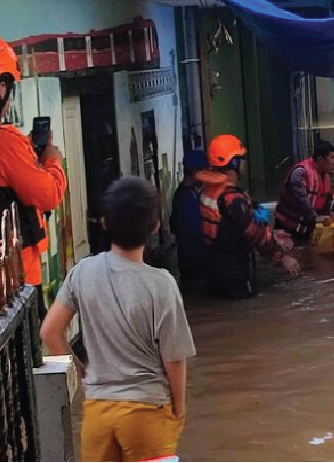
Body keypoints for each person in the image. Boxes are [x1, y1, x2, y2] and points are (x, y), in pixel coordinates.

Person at [40, 177, 196, 462]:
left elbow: (50, 332)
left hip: (98, 413)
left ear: (104, 224)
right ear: (154, 228)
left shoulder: (82, 272)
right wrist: (179, 407)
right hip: (147, 412)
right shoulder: (162, 284)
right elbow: (174, 358)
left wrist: (82, 373)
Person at [0, 37, 67, 320]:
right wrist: (52, 160)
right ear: (2, 88)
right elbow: (48, 194)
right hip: (14, 283)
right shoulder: (5, 143)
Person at [196, 134, 300, 299]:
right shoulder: (233, 199)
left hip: (214, 270)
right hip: (235, 273)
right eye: (242, 158)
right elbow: (257, 236)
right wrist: (282, 256)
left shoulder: (208, 191)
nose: (245, 163)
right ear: (234, 163)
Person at [273, 139, 334, 247]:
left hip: (306, 229)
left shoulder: (325, 175)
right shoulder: (300, 173)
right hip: (288, 229)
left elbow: (325, 199)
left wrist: (331, 214)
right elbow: (301, 199)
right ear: (321, 160)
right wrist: (315, 218)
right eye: (332, 158)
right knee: (290, 259)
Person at [168, 150, 209, 286]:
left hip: (187, 260)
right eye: (204, 170)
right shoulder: (188, 199)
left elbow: (173, 225)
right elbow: (198, 231)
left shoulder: (182, 193)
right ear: (194, 171)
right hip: (195, 263)